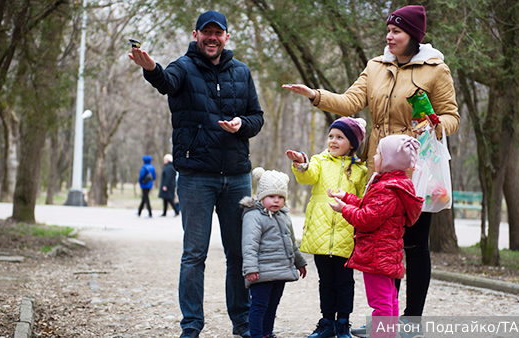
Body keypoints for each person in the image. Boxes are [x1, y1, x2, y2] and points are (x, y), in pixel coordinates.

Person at [282, 5, 460, 335]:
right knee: (384, 244)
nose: (388, 37)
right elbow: (351, 102)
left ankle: (411, 320)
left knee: (415, 244)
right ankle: (386, 322)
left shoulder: (436, 70)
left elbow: (452, 116)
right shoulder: (375, 66)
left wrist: (434, 125)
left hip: (415, 168)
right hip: (379, 167)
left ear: (413, 37)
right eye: (388, 31)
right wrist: (315, 95)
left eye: (396, 32)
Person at [129, 10, 264, 338]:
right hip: (195, 176)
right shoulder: (183, 67)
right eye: (207, 32)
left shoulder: (241, 72)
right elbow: (166, 82)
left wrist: (240, 125)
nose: (212, 38)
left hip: (236, 176)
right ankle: (191, 325)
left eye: (219, 33)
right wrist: (150, 68)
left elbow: (256, 117)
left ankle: (243, 324)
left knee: (239, 254)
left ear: (227, 37)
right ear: (196, 34)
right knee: (194, 255)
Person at [328, 135, 424, 338]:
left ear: (390, 161)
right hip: (388, 254)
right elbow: (371, 207)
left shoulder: (386, 189)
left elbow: (366, 219)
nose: (374, 156)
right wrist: (347, 197)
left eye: (379, 153)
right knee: (390, 299)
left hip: (376, 255)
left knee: (380, 302)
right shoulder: (395, 184)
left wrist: (344, 209)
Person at [286, 117, 368, 338]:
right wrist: (301, 164)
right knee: (326, 281)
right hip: (321, 234)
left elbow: (362, 201)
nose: (333, 140)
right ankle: (326, 321)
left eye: (340, 137)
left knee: (344, 282)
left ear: (352, 143)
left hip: (346, 234)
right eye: (331, 136)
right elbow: (307, 176)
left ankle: (343, 322)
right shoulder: (319, 161)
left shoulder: (360, 170)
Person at [240, 167, 307, 338]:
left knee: (272, 305)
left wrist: (299, 262)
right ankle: (256, 334)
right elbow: (249, 245)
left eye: (280, 197)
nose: (276, 201)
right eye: (271, 197)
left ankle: (267, 333)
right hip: (261, 272)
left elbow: (291, 242)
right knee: (259, 305)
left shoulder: (284, 215)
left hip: (281, 271)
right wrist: (251, 269)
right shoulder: (253, 216)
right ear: (262, 196)